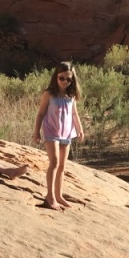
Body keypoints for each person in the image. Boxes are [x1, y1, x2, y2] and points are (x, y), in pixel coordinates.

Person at [33, 61, 84, 210]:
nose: (65, 82)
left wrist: (79, 129)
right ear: (56, 76)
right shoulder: (49, 94)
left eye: (69, 79)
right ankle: (50, 197)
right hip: (51, 132)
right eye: (62, 78)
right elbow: (41, 113)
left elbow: (74, 113)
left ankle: (59, 195)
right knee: (54, 164)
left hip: (66, 133)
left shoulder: (71, 95)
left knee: (62, 166)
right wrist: (36, 132)